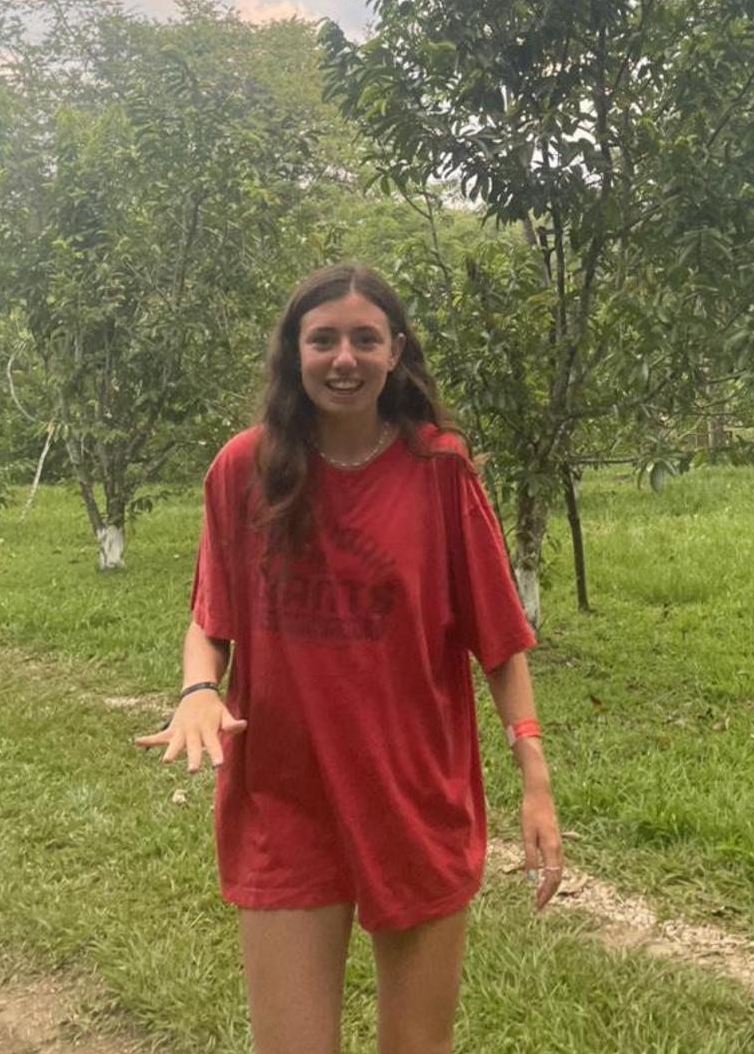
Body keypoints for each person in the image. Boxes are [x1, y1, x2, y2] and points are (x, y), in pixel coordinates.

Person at [136, 263, 563, 1054]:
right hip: (283, 797)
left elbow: (498, 641)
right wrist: (199, 687)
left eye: (365, 340)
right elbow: (210, 618)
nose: (344, 358)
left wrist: (532, 775)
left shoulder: (440, 469)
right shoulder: (244, 469)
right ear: (294, 354)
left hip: (414, 796)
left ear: (395, 351)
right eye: (323, 339)